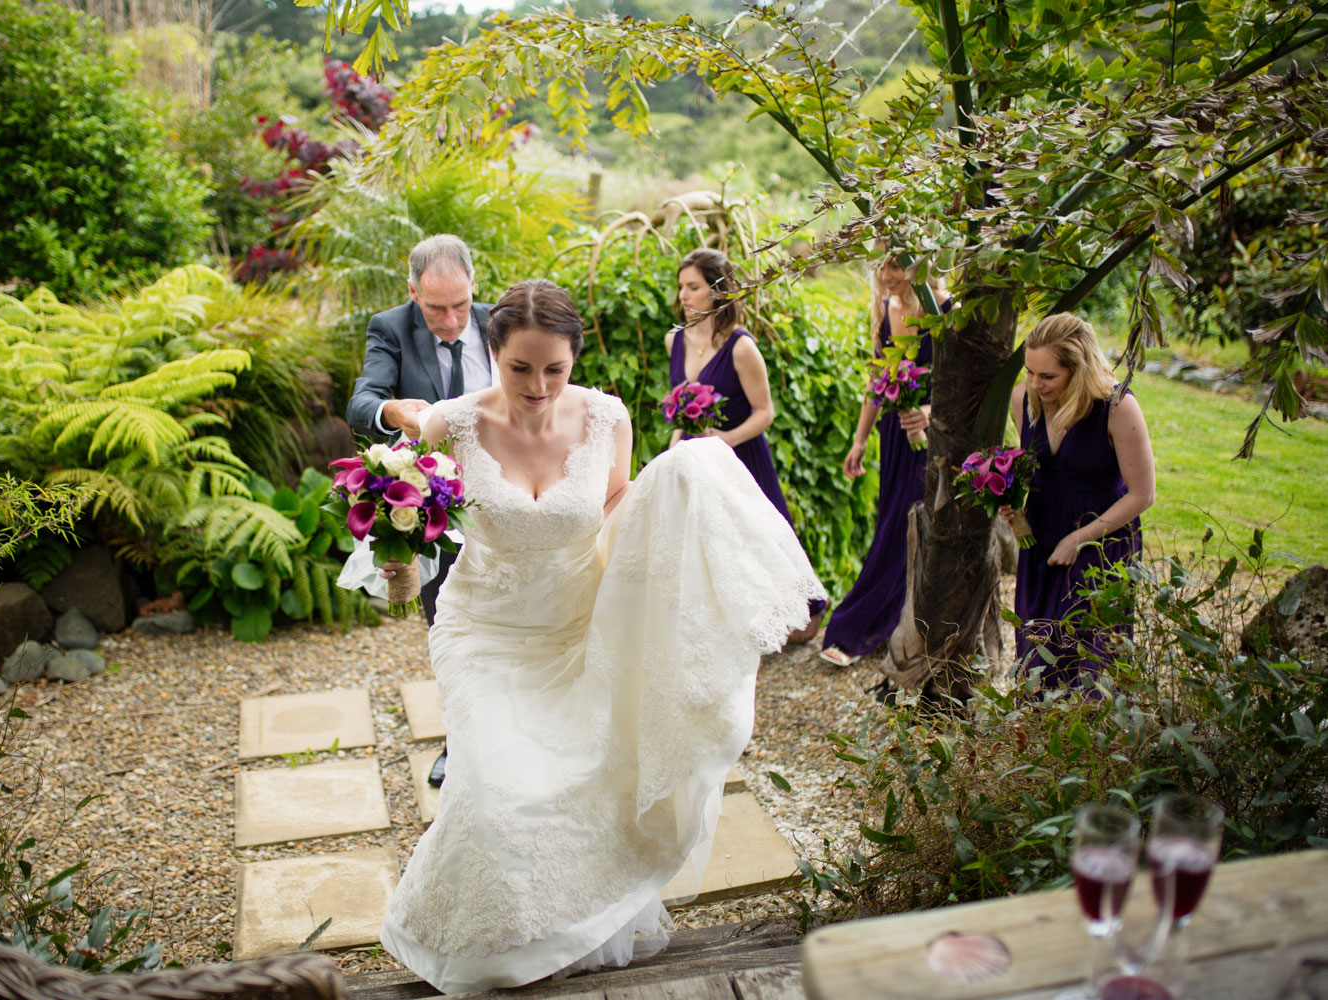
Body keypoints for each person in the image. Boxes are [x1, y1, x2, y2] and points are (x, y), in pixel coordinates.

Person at [377, 280, 824, 994]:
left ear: (574, 359)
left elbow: (615, 506)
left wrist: (661, 569)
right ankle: (480, 945)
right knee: (496, 792)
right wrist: (396, 555)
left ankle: (570, 933)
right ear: (492, 353)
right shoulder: (449, 425)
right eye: (521, 368)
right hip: (485, 629)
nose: (539, 385)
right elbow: (398, 505)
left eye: (554, 368)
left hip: (578, 620)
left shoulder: (606, 417)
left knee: (589, 777)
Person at [346, 234, 491, 787]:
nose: (452, 321)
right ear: (411, 291)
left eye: (460, 305)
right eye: (435, 308)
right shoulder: (390, 328)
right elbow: (362, 403)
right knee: (449, 625)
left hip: (507, 497)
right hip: (438, 508)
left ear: (473, 287)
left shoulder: (499, 322)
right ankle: (459, 741)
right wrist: (391, 409)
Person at [665, 248, 826, 641]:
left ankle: (795, 618)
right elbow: (682, 408)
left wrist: (726, 440)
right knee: (703, 545)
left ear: (718, 291)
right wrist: (672, 452)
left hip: (742, 458)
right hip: (694, 461)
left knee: (760, 542)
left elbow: (764, 412)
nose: (683, 296)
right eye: (681, 287)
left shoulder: (741, 346)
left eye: (693, 287)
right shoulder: (675, 341)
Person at [1004, 312, 1155, 693]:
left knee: (1089, 654)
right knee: (1036, 646)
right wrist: (1013, 507)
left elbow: (1143, 494)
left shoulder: (1117, 406)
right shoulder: (1024, 398)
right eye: (1030, 372)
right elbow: (1035, 471)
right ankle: (1038, 740)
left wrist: (1079, 539)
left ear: (1078, 368)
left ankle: (1088, 742)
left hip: (1102, 538)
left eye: (1048, 376)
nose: (1036, 384)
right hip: (1041, 535)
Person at [819, 256, 951, 669]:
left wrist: (929, 412)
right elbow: (877, 383)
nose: (888, 276)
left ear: (921, 263)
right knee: (894, 523)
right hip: (895, 437)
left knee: (906, 524)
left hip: (939, 435)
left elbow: (967, 384)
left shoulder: (946, 310)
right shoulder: (885, 309)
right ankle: (894, 624)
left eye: (897, 266)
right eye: (882, 268)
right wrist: (860, 440)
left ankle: (856, 627)